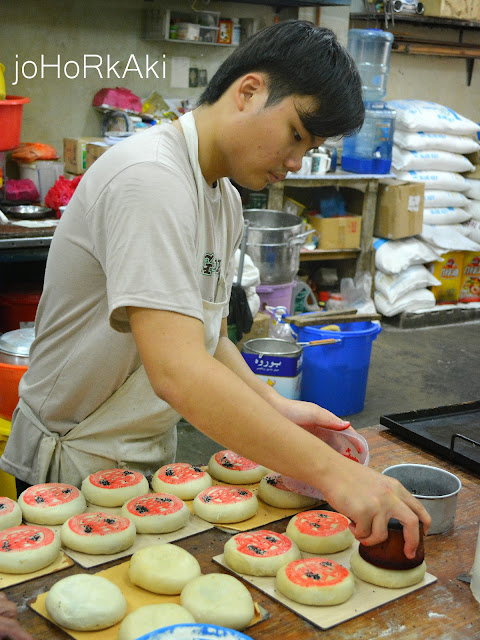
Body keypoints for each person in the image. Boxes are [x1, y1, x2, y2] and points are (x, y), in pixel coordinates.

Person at [0, 20, 430, 556]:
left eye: (310, 146)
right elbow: (179, 372)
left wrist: (277, 407)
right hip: (73, 465)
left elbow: (206, 335)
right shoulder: (150, 180)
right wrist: (335, 476)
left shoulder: (221, 196)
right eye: (296, 133)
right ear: (249, 92)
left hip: (143, 454)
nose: (296, 162)